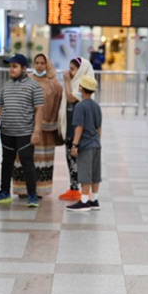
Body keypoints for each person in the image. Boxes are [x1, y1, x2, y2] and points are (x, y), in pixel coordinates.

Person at [0, 54, 45, 207]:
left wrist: (37, 131)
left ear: (24, 69)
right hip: (6, 132)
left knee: (27, 163)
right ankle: (4, 192)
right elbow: (1, 104)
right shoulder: (6, 85)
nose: (11, 69)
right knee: (6, 162)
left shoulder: (34, 86)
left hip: (25, 132)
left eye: (15, 66)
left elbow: (39, 110)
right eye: (10, 66)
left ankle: (32, 195)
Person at [13, 54, 64, 199]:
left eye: (43, 63)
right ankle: (22, 189)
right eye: (37, 62)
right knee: (24, 157)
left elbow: (58, 104)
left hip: (46, 130)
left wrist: (52, 124)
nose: (40, 65)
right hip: (26, 127)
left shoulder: (54, 83)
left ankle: (39, 190)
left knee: (41, 159)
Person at [58, 57, 96, 202]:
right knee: (71, 161)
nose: (69, 72)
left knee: (77, 162)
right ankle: (74, 188)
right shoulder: (76, 84)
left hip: (78, 134)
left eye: (73, 69)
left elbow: (70, 97)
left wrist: (67, 81)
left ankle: (80, 190)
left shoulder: (83, 87)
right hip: (70, 130)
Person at [66, 76, 103, 212]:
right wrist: (98, 141)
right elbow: (99, 128)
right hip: (96, 144)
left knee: (86, 173)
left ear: (81, 88)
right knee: (95, 173)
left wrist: (74, 145)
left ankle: (84, 201)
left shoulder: (80, 106)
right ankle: (94, 200)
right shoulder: (96, 106)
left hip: (86, 145)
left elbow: (79, 127)